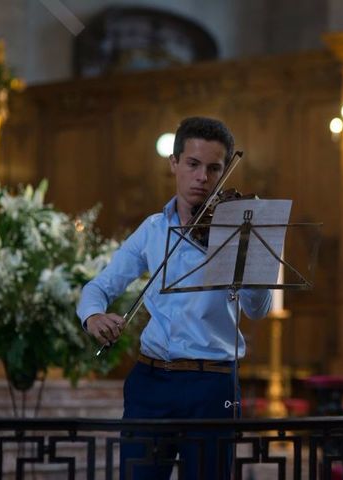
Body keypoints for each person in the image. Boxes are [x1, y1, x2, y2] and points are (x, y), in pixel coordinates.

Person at [77, 117, 272, 479]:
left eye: (214, 169)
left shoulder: (236, 232)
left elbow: (257, 310)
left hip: (212, 384)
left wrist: (252, 256)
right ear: (174, 163)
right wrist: (93, 316)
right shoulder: (152, 229)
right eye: (193, 165)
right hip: (150, 382)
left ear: (226, 170)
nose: (202, 177)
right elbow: (98, 287)